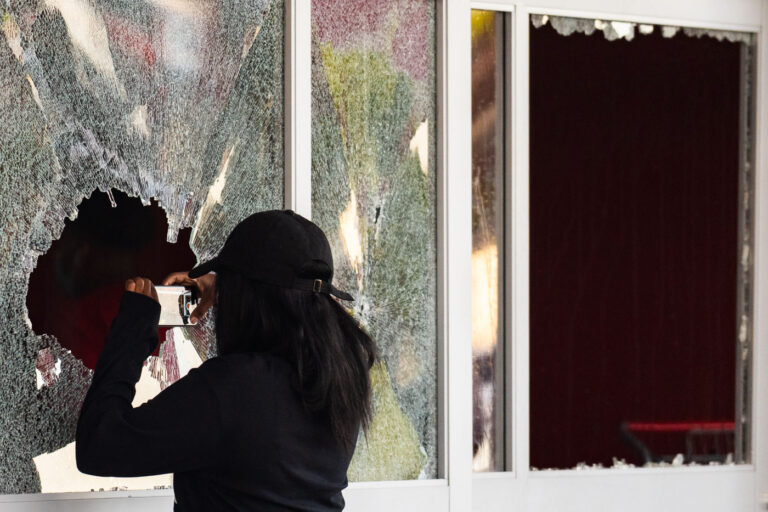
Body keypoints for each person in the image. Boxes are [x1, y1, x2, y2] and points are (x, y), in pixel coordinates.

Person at [76, 209, 377, 511]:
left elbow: (98, 446)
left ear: (248, 298)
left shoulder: (236, 389)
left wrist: (132, 329)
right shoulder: (343, 380)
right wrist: (227, 285)